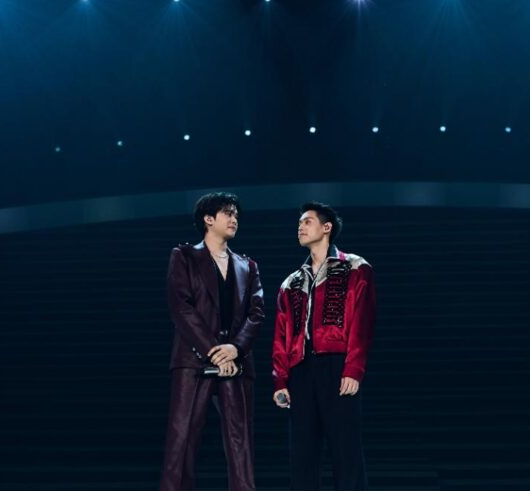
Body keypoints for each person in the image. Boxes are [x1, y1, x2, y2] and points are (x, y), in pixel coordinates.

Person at [161, 192, 264, 491]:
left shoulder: (248, 265)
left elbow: (257, 313)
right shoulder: (184, 256)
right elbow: (181, 307)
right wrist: (213, 351)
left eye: (236, 215)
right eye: (227, 213)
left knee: (240, 443)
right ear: (208, 219)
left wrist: (235, 349)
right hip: (193, 361)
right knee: (182, 441)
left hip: (236, 362)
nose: (234, 219)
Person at [272, 202, 376, 491]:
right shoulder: (291, 282)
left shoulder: (355, 267)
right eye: (299, 223)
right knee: (302, 455)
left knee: (346, 451)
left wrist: (353, 369)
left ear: (326, 227)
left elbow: (362, 322)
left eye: (307, 221)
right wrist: (280, 379)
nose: (300, 227)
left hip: (337, 365)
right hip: (300, 370)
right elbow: (281, 335)